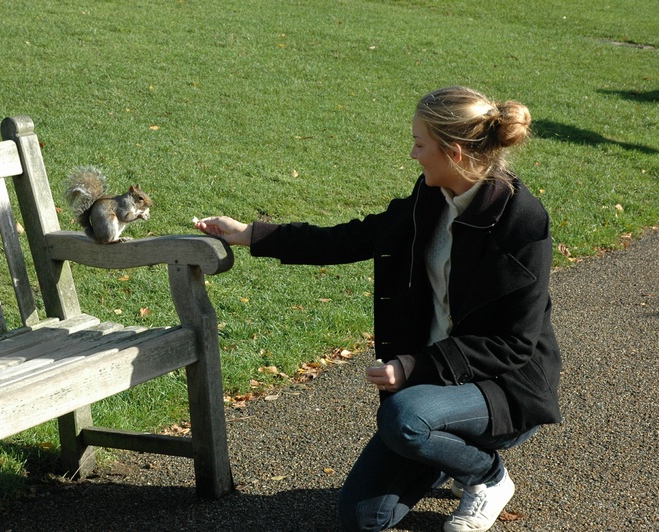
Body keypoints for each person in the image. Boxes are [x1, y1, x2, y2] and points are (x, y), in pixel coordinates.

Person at [195, 86, 562, 532]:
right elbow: (353, 238)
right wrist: (251, 234)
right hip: (435, 386)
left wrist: (414, 366)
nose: (412, 155)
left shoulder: (522, 223)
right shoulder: (431, 197)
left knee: (404, 418)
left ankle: (486, 475)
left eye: (420, 144)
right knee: (364, 517)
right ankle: (447, 448)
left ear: (455, 153)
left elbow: (514, 344)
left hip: (501, 387)